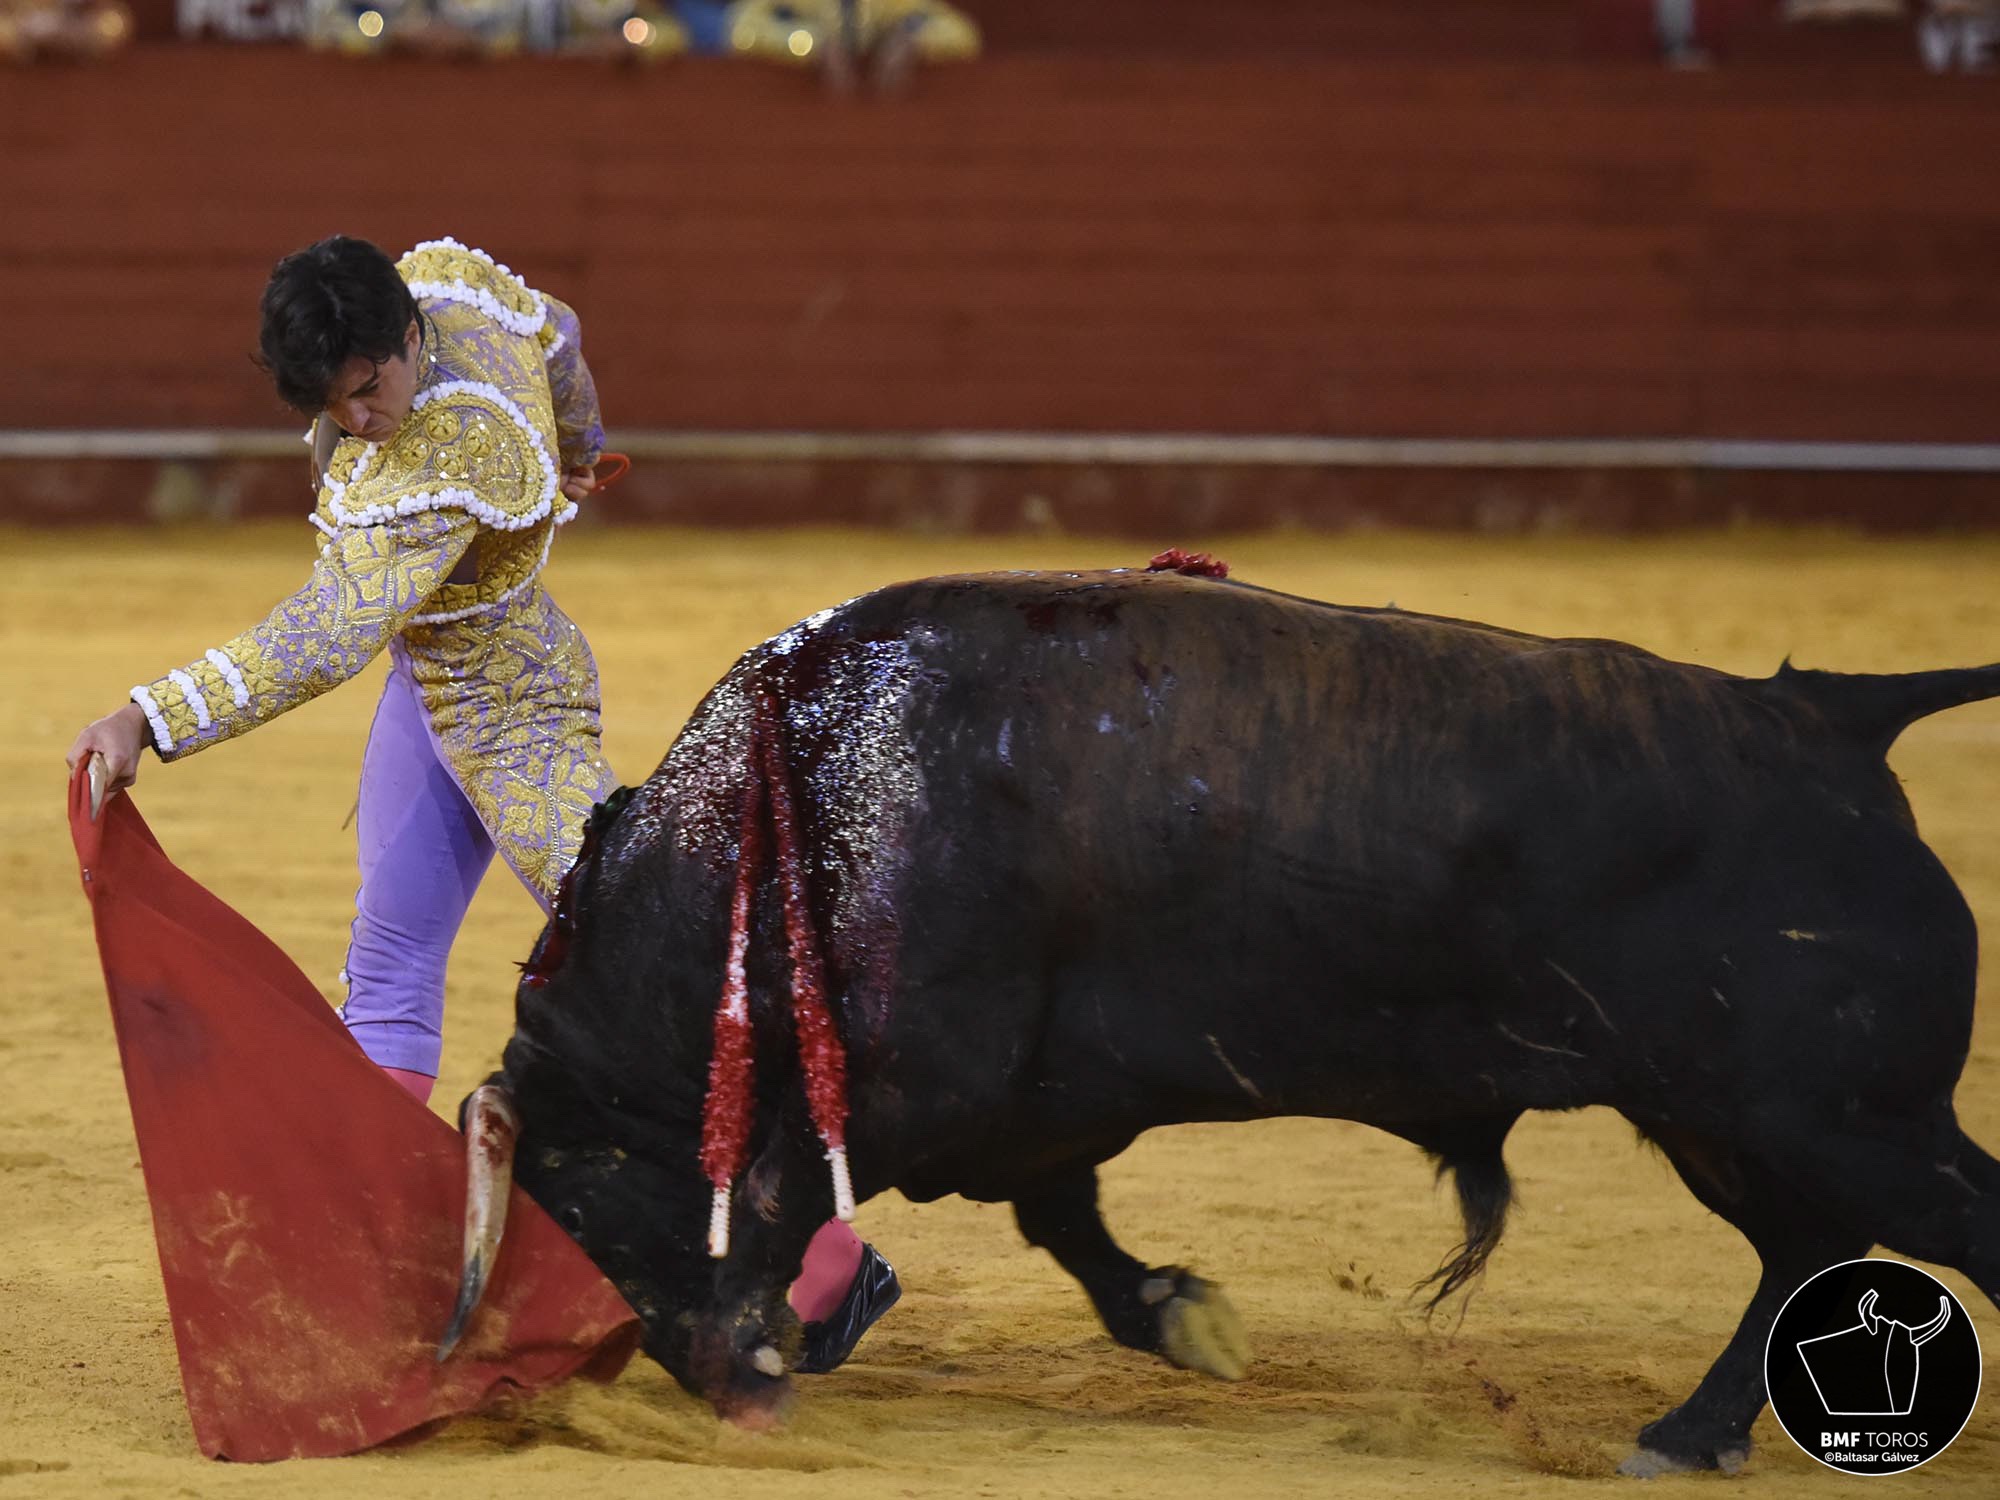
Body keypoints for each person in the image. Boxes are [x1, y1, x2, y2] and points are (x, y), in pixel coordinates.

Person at [64, 235, 898, 1372]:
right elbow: (555, 325)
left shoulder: (446, 451)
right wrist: (583, 447)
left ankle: (831, 1269)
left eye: (369, 388)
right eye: (331, 402)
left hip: (518, 718)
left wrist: (146, 717)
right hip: (436, 688)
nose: (359, 420)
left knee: (649, 966)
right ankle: (366, 1248)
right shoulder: (453, 297)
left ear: (407, 339)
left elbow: (321, 639)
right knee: (391, 948)